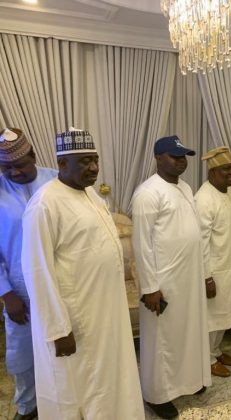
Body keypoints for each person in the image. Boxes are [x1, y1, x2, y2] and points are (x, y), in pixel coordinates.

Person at [21, 129, 144, 420]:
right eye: (85, 161)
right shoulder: (44, 204)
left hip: (106, 311)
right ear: (63, 164)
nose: (94, 168)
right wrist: (58, 329)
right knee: (83, 388)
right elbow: (37, 271)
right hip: (77, 320)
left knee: (110, 379)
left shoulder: (90, 194)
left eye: (95, 160)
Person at [132, 135, 211, 418]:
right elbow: (141, 245)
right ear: (158, 157)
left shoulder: (186, 187)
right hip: (163, 282)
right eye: (174, 156)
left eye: (183, 156)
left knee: (188, 332)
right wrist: (150, 288)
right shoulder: (147, 193)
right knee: (161, 340)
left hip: (188, 278)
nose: (181, 161)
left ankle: (188, 380)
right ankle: (157, 395)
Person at [0, 128, 57, 420]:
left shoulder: (57, 181)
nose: (14, 172)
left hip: (59, 283)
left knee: (60, 345)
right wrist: (6, 294)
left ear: (33, 156)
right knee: (22, 353)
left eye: (20, 165)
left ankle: (62, 402)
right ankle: (27, 406)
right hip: (18, 289)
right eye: (6, 167)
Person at [195, 147, 231, 378]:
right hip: (215, 271)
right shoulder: (203, 199)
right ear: (212, 172)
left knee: (226, 315)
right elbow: (200, 243)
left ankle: (215, 351)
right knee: (212, 319)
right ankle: (206, 360)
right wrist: (206, 277)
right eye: (226, 169)